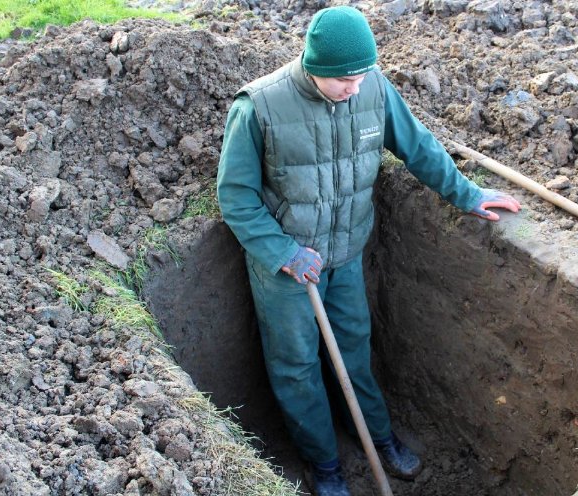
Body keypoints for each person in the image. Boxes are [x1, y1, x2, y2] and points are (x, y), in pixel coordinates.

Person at [217, 6, 520, 495]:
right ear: (314, 65)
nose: (355, 88)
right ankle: (325, 465)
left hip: (347, 253)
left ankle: (377, 437)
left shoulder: (373, 87)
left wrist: (467, 194)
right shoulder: (260, 107)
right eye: (344, 80)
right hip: (287, 268)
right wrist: (284, 253)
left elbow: (418, 146)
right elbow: (235, 196)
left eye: (361, 76)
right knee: (296, 366)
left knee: (354, 349)